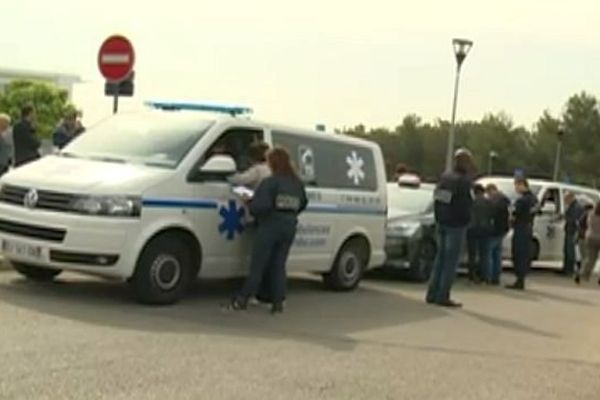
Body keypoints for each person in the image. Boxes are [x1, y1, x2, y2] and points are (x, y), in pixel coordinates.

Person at [228, 147, 308, 314]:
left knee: (258, 265)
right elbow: (303, 203)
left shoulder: (271, 182)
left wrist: (249, 201)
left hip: (270, 226)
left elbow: (260, 207)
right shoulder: (297, 183)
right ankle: (278, 303)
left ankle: (242, 300)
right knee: (279, 266)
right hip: (289, 227)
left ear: (273, 163)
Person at [426, 148, 474, 308]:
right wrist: (467, 220)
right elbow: (466, 204)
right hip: (456, 225)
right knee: (450, 262)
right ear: (465, 162)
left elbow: (438, 199)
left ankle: (431, 293)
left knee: (439, 259)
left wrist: (439, 218)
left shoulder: (445, 177)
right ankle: (443, 295)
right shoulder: (464, 181)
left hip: (442, 222)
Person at [506, 177, 538, 290]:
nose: (516, 188)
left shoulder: (522, 200)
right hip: (529, 227)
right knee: (525, 254)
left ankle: (519, 280)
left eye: (516, 186)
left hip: (520, 228)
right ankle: (521, 279)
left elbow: (513, 215)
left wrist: (510, 221)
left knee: (518, 254)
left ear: (522, 185)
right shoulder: (534, 199)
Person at [466, 184, 494, 284]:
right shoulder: (488, 202)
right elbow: (492, 215)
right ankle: (484, 276)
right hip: (485, 229)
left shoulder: (471, 202)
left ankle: (471, 275)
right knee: (484, 254)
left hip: (472, 229)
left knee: (472, 254)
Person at [486, 183, 511, 285]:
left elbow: (492, 215)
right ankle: (496, 277)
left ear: (491, 190)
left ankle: (490, 276)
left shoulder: (495, 201)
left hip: (495, 230)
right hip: (502, 229)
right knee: (497, 254)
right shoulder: (505, 200)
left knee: (490, 254)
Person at [561, 192, 584, 277]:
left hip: (573, 231)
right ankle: (566, 268)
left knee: (570, 251)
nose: (565, 201)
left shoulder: (576, 207)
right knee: (566, 250)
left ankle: (569, 270)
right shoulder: (572, 206)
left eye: (566, 199)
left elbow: (575, 220)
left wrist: (566, 217)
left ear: (571, 198)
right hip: (569, 230)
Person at [576, 202, 600, 285]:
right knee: (593, 259)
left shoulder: (591, 214)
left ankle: (581, 273)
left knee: (589, 258)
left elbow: (585, 224)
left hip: (590, 237)